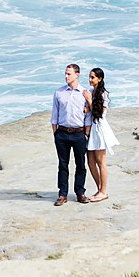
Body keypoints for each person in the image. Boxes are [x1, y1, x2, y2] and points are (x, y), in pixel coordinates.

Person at [51, 64, 91, 205]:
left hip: (79, 133)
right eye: (65, 73)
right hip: (62, 133)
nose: (66, 76)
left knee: (81, 164)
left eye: (69, 74)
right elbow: (54, 114)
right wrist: (55, 132)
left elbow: (88, 116)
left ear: (77, 74)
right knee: (63, 164)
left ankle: (80, 192)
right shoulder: (59, 92)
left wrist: (86, 134)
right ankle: (62, 194)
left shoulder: (84, 93)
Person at [83, 67, 119, 202]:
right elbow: (90, 111)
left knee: (100, 161)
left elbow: (99, 114)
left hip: (99, 128)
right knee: (90, 161)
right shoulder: (92, 91)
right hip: (91, 128)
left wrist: (89, 101)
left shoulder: (103, 94)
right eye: (89, 77)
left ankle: (103, 191)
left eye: (93, 77)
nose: (90, 79)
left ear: (100, 79)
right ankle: (100, 189)